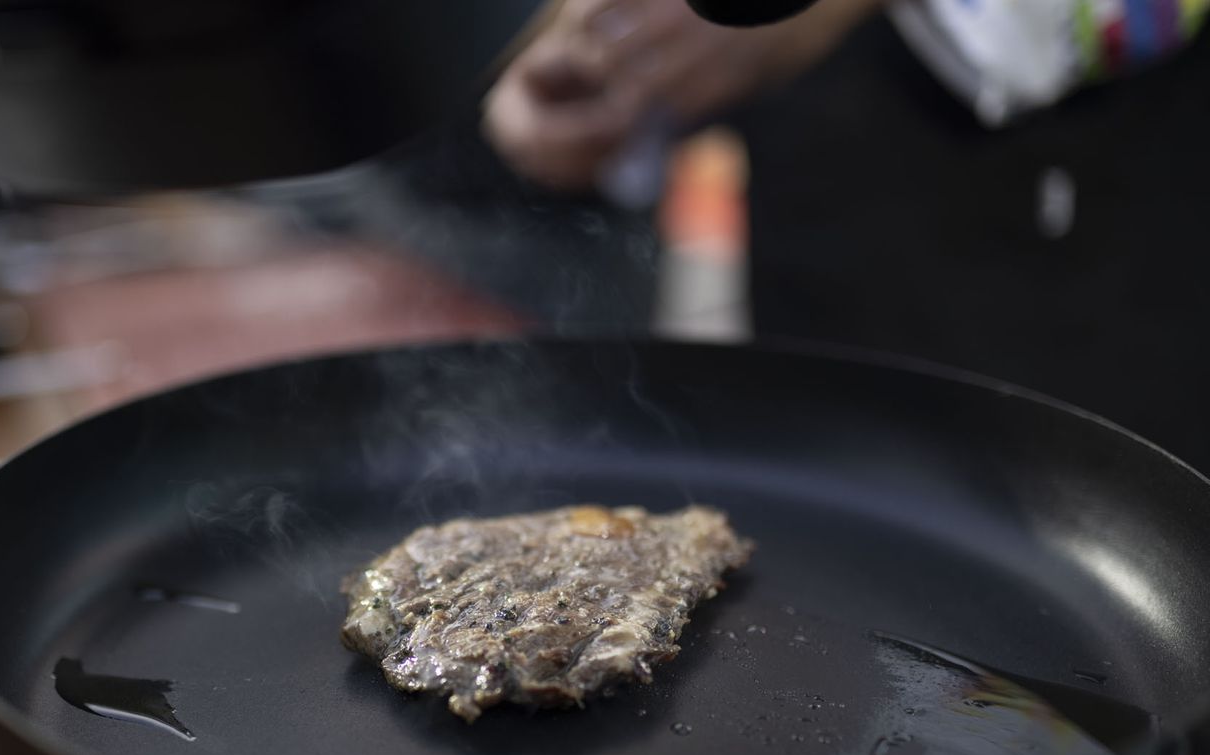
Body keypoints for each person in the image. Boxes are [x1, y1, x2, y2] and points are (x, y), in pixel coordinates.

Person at [481, 0, 1210, 470]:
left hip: (1093, 182)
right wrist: (604, 67)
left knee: (1126, 548)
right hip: (828, 192)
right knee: (848, 527)